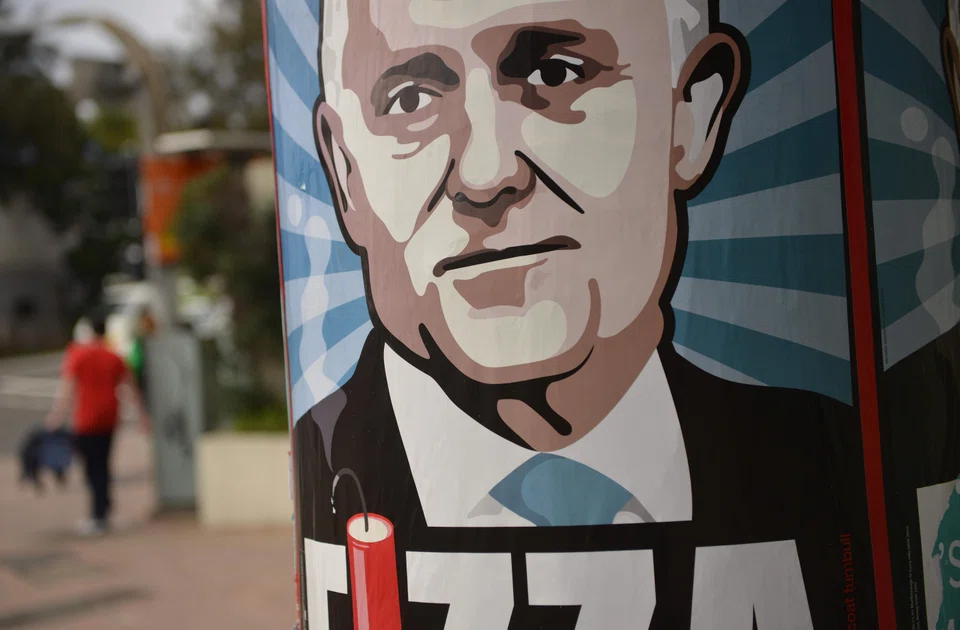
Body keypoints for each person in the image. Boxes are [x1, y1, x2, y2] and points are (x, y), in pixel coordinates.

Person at [293, 0, 877, 627]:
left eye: (555, 74)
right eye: (410, 101)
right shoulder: (322, 457)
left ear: (693, 113)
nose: (486, 176)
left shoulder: (829, 462)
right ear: (345, 172)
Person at [46, 310, 151, 536]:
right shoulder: (114, 357)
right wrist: (142, 416)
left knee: (92, 468)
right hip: (109, 417)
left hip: (86, 419)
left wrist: (57, 416)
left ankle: (98, 515)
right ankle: (104, 507)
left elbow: (68, 388)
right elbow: (131, 387)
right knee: (103, 464)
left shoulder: (79, 355)